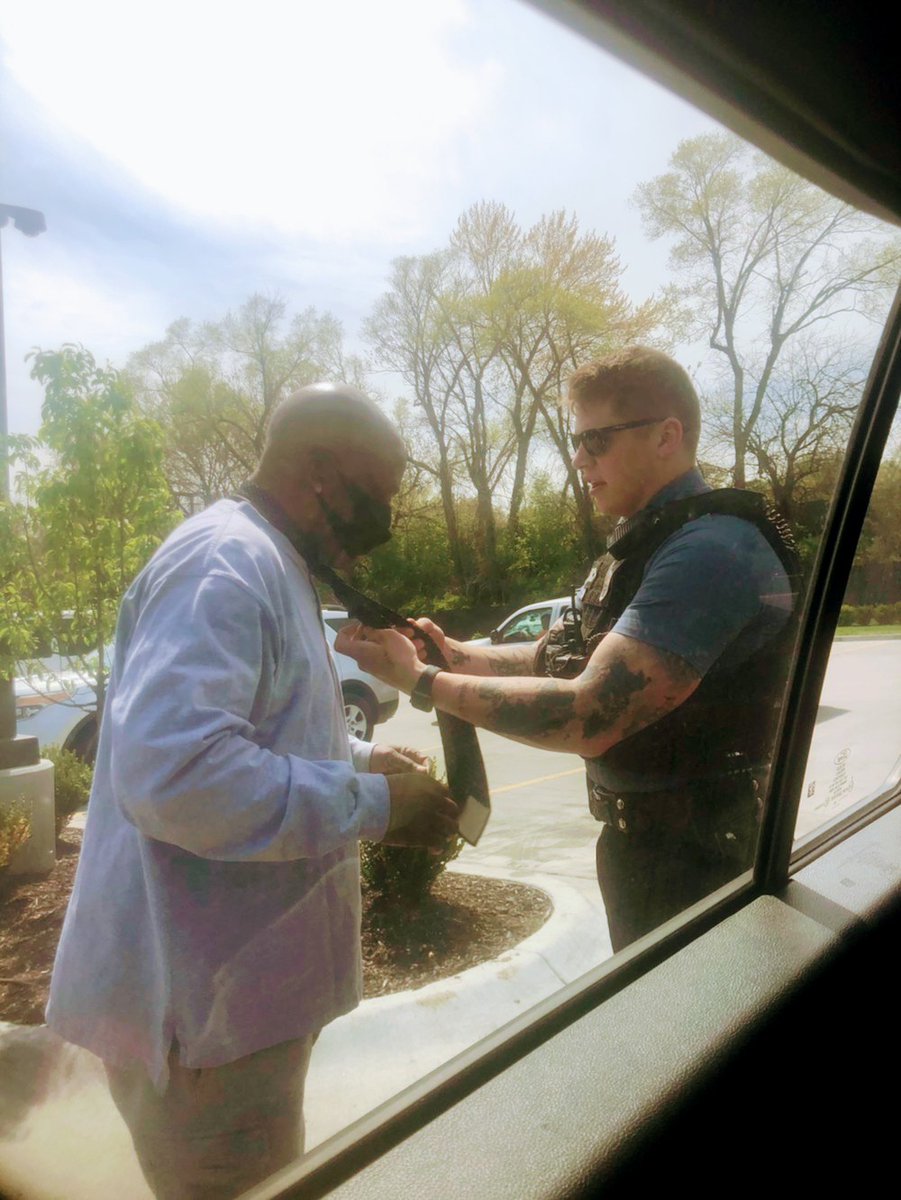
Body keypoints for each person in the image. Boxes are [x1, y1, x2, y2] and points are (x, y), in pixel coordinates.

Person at [46, 383, 458, 1200]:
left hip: (230, 1013)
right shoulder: (224, 563)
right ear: (319, 471)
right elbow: (178, 773)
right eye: (379, 494)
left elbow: (262, 728)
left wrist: (367, 759)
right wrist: (373, 810)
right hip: (198, 1025)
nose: (387, 518)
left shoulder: (270, 561)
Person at [336, 347, 798, 953]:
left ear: (667, 436)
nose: (579, 459)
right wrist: (447, 654)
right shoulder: (641, 546)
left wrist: (424, 681)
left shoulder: (709, 553)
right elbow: (546, 659)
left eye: (597, 440)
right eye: (576, 441)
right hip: (652, 852)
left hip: (704, 864)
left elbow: (590, 715)